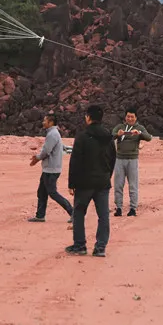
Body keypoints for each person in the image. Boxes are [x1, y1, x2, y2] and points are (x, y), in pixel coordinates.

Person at [66, 105, 116, 257]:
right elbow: (113, 158)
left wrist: (71, 183)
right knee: (103, 215)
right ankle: (100, 247)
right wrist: (107, 175)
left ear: (88, 117)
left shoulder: (82, 136)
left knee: (79, 213)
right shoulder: (108, 136)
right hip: (102, 182)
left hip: (84, 183)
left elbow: (75, 161)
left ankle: (80, 245)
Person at [27, 113, 73, 223]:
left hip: (51, 169)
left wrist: (37, 158)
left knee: (52, 193)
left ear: (51, 122)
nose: (43, 122)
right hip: (49, 168)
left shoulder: (52, 134)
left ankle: (73, 212)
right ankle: (40, 216)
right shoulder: (54, 133)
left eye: (45, 120)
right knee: (42, 192)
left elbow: (46, 151)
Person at [111, 107, 152, 217]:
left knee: (133, 185)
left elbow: (149, 138)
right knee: (118, 185)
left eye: (132, 117)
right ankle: (118, 207)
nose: (130, 118)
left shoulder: (139, 128)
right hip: (119, 159)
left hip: (132, 160)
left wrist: (139, 133)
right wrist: (118, 134)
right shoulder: (120, 127)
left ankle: (133, 208)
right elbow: (111, 136)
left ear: (136, 118)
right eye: (128, 116)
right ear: (125, 117)